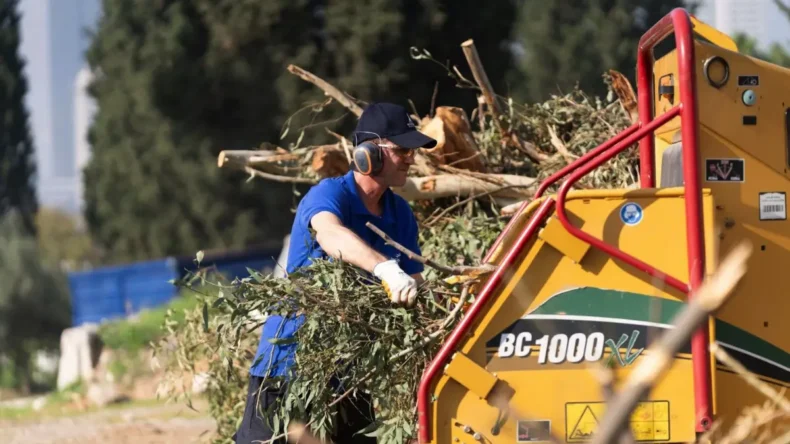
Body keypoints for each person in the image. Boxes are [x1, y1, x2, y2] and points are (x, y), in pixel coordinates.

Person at [233, 102, 437, 444]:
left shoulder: (400, 213)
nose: (411, 157)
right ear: (368, 154)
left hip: (349, 368)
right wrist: (384, 267)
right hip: (289, 362)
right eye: (402, 150)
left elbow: (414, 280)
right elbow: (329, 234)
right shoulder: (330, 194)